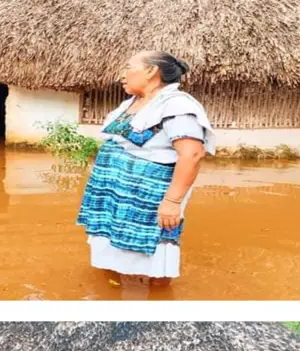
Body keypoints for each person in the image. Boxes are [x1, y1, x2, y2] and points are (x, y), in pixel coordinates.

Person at [76, 51, 216, 286]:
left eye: (129, 67)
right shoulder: (131, 103)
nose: (122, 74)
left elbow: (191, 154)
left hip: (150, 196)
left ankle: (157, 302)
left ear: (151, 71)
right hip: (116, 195)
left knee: (156, 252)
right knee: (113, 243)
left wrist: (172, 202)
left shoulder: (177, 105)